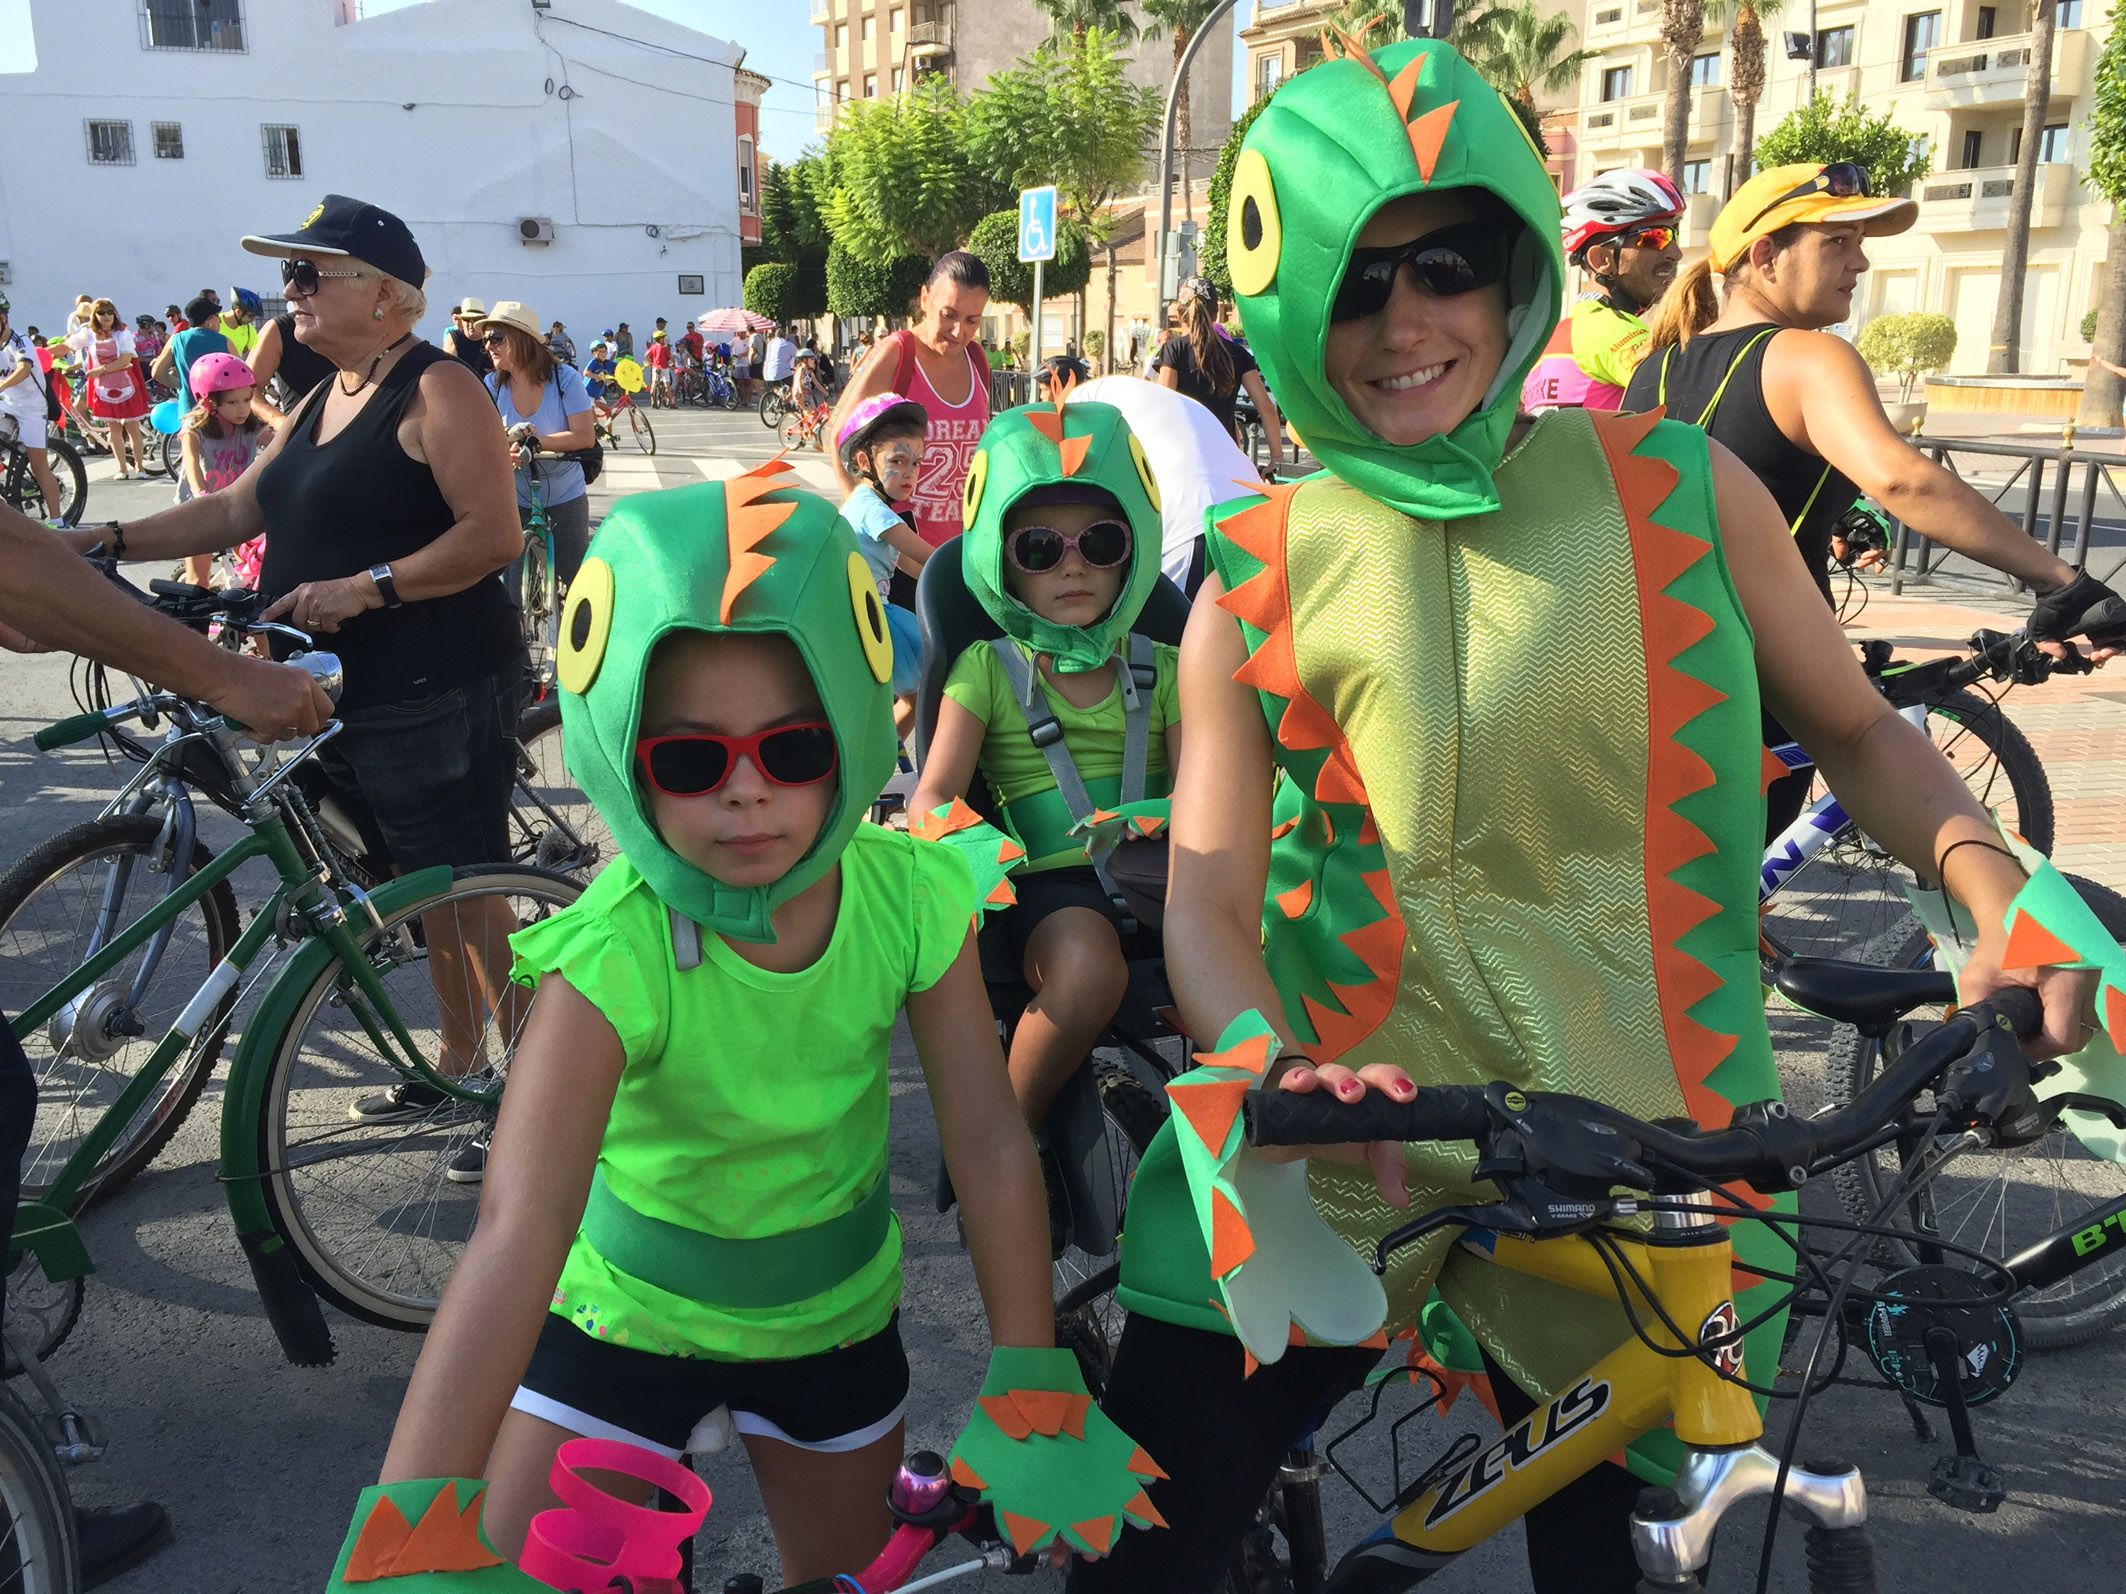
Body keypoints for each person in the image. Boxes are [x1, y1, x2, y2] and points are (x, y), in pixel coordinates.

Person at [1074, 38, 2112, 1594]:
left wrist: (1989, 882)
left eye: (1445, 260)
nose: (1405, 320)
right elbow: (1209, 901)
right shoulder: (1256, 566)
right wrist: (1268, 1062)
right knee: (1141, 1546)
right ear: (1286, 310)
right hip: (1345, 1133)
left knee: (1617, 1563)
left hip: (1645, 1143)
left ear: (1513, 264)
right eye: (1354, 284)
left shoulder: (1688, 492)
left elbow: (1855, 731)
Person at [362, 470, 1159, 1584]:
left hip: (830, 1324)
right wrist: (414, 1505)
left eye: (793, 749)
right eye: (688, 760)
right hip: (620, 1322)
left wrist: (1027, 1365)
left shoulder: (907, 896)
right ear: (620, 751)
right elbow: (521, 1217)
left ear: (850, 719)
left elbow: (984, 1141)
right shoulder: (612, 947)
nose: (746, 794)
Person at [59, 195, 527, 1178]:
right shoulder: (327, 392)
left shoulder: (439, 389)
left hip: (432, 680)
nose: (290, 291)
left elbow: (493, 535)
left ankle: (524, 1083)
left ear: (390, 294)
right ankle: (449, 1059)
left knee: (466, 891)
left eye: (312, 273)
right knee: (408, 894)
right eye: (291, 274)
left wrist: (369, 587)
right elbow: (234, 506)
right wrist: (99, 542)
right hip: (336, 693)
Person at [1624, 161, 2124, 834]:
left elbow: (1721, 491)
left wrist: (1835, 520)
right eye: (1838, 242)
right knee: (1725, 900)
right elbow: (1903, 479)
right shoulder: (1808, 357)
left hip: (1649, 675)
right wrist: (2062, 583)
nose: (1859, 262)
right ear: (1767, 254)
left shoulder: (1654, 368)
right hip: (1762, 682)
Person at [911, 405, 1180, 1131]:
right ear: (1002, 562)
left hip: (1172, 872)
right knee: (1089, 970)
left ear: (1135, 552)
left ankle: (1256, 1147)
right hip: (1051, 886)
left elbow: (1206, 790)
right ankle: (1004, 1139)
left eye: (1100, 542)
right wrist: (966, 855)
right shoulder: (987, 669)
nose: (1072, 564)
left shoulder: (1172, 669)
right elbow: (932, 792)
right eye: (1038, 547)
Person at [825, 253, 993, 549]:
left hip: (962, 552)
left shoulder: (977, 359)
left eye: (972, 320)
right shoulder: (899, 353)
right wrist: (867, 526)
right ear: (925, 298)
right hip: (898, 560)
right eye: (949, 314)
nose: (959, 331)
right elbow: (840, 435)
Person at [1061, 366, 1261, 593]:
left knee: (1181, 624)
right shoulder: (1140, 394)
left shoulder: (1079, 405)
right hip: (1252, 509)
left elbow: (1082, 480)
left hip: (1190, 522)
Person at [1522, 169, 1684, 412]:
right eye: (1655, 237)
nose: (1675, 253)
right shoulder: (1612, 329)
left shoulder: (1558, 335)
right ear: (1600, 259)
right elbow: (1694, 396)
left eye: (1674, 234)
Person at [479, 299, 596, 590]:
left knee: (575, 578)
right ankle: (518, 634)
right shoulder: (491, 384)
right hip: (515, 495)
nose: (488, 346)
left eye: (496, 338)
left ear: (522, 340)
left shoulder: (564, 378)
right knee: (511, 583)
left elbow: (584, 436)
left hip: (564, 492)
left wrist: (534, 444)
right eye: (485, 339)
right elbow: (482, 436)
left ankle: (579, 635)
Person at [833, 392, 931, 736]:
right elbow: (923, 553)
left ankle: (883, 759)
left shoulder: (874, 507)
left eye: (916, 463)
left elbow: (911, 566)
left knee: (915, 697)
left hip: (870, 615)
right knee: (931, 679)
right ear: (864, 460)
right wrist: (970, 564)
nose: (909, 473)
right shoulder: (870, 507)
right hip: (867, 620)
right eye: (898, 460)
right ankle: (878, 759)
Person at [1152, 277, 1286, 476]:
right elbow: (1266, 408)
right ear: (1215, 313)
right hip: (1226, 457)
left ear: (1182, 315)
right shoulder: (1238, 354)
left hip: (1183, 459)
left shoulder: (1174, 350)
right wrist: (1276, 456)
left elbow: (1162, 406)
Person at [178, 352, 270, 587]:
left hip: (236, 506)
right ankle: (193, 620)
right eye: (232, 402)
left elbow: (280, 443)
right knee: (198, 580)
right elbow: (190, 461)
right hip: (201, 509)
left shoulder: (250, 426)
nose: (242, 409)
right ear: (209, 402)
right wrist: (201, 494)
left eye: (247, 400)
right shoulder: (195, 428)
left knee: (252, 570)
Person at [68, 298, 151, 480]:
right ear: (94, 316)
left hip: (126, 386)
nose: (106, 316)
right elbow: (68, 345)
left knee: (132, 429)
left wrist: (100, 370)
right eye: (101, 312)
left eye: (109, 312)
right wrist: (39, 353)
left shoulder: (123, 334)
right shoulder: (88, 334)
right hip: (103, 389)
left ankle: (140, 467)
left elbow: (126, 359)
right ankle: (122, 468)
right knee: (114, 430)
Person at [0, 294, 66, 521]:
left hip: (32, 407)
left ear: (3, 319)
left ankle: (58, 521)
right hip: (6, 405)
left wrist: (2, 384)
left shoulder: (20, 341)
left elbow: (24, 368)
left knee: (39, 466)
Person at [246, 298, 339, 424]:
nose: (290, 292)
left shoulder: (364, 329)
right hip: (301, 435)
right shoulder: (281, 329)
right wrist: (278, 421)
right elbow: (245, 389)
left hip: (357, 435)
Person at [150, 294, 228, 411]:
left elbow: (157, 373)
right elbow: (241, 375)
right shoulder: (224, 341)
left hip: (188, 409)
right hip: (220, 409)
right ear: (208, 321)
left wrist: (181, 384)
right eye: (217, 316)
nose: (220, 320)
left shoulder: (176, 339)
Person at [443, 296, 494, 377]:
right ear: (461, 320)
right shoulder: (454, 338)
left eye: (476, 319)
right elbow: (449, 369)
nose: (471, 324)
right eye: (467, 319)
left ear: (482, 320)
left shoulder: (492, 340)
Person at [219, 287, 263, 360]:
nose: (252, 320)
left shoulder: (249, 330)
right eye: (250, 316)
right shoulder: (215, 322)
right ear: (238, 311)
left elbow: (255, 354)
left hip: (235, 368)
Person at [762, 321, 797, 402]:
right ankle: (785, 403)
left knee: (776, 386)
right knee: (793, 386)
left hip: (767, 373)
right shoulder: (788, 345)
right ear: (785, 335)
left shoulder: (771, 343)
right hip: (781, 373)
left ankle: (777, 401)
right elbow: (798, 356)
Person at [642, 327, 674, 407]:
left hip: (655, 367)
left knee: (654, 382)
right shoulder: (665, 348)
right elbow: (670, 357)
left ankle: (652, 401)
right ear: (660, 339)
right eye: (663, 338)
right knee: (667, 384)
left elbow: (646, 355)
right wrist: (671, 363)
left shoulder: (653, 347)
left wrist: (650, 362)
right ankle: (671, 403)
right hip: (664, 367)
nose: (664, 339)